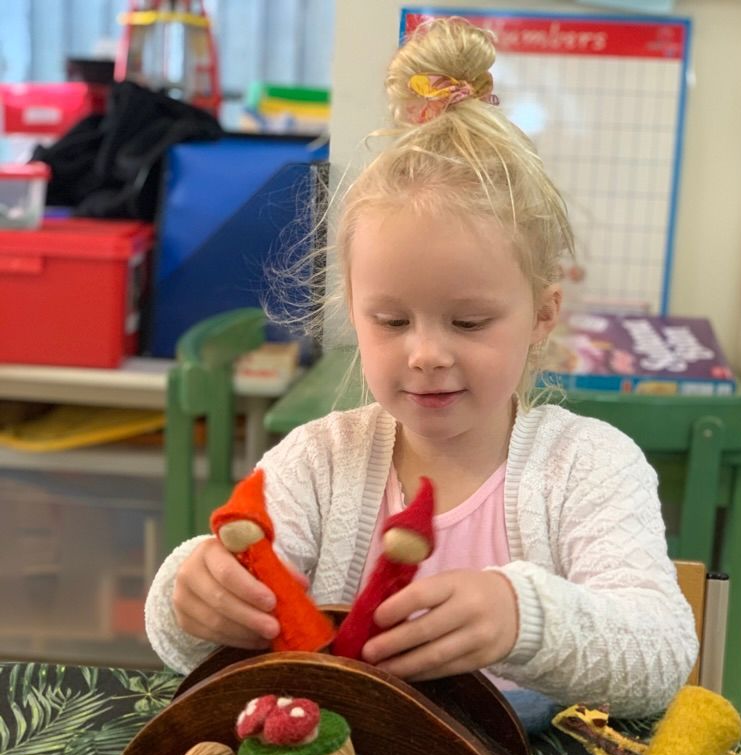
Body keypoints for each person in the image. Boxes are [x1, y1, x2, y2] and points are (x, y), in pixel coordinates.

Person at [145, 16, 697, 719]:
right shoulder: (319, 463)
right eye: (392, 320)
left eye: (468, 322)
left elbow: (662, 657)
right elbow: (189, 644)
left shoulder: (588, 468)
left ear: (543, 314)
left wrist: (522, 615)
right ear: (354, 311)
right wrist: (189, 595)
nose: (427, 353)